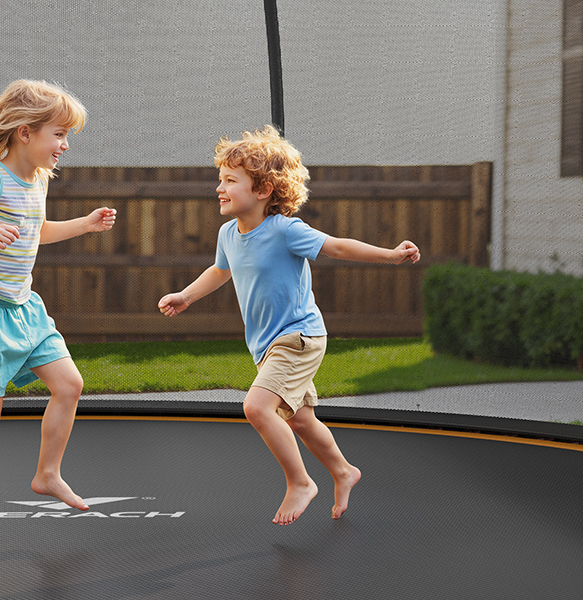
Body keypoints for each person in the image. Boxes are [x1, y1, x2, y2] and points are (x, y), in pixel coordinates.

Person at [157, 125, 419, 525]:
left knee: (257, 407)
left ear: (262, 190)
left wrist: (390, 255)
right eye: (220, 179)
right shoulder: (228, 233)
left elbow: (337, 246)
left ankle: (300, 482)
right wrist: (185, 296)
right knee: (300, 419)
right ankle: (344, 471)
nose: (219, 188)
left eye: (230, 180)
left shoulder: (285, 230)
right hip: (266, 345)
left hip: (298, 337)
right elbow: (218, 271)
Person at [0, 80, 117, 537]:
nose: (65, 146)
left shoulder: (37, 180)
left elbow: (39, 231)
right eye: (59, 134)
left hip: (22, 305)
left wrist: (85, 225)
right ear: (25, 132)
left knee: (69, 384)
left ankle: (47, 474)